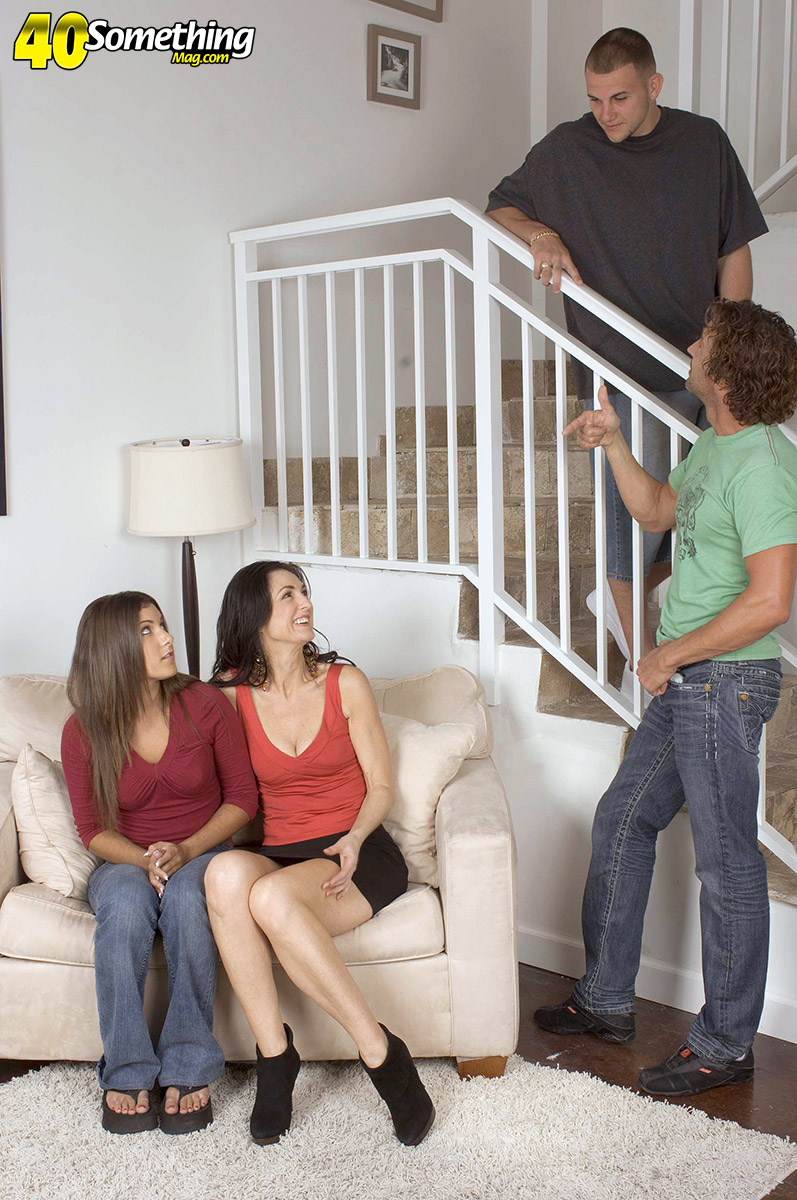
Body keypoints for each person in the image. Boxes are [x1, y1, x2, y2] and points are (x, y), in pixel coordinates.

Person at [534, 299, 797, 1095]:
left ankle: (723, 1045)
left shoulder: (763, 465)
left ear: (727, 369)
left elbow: (771, 600)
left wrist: (668, 655)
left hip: (724, 681)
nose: (690, 342)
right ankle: (606, 1000)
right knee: (621, 818)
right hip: (690, 679)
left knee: (726, 865)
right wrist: (614, 442)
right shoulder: (713, 445)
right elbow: (655, 509)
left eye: (704, 338)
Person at [486, 27, 768, 685]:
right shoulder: (567, 149)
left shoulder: (703, 143)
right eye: (594, 98)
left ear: (653, 85)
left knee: (693, 518)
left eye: (619, 98)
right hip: (616, 372)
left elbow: (732, 249)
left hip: (698, 367)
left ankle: (632, 623)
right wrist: (541, 232)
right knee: (628, 531)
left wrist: (729, 350)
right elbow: (501, 209)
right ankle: (646, 673)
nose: (605, 113)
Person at [204, 561, 435, 1146]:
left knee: (272, 899)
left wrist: (355, 837)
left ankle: (381, 1053)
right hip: (281, 853)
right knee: (226, 875)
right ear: (255, 616)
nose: (304, 602)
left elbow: (381, 786)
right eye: (287, 595)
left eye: (303, 591)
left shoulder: (344, 683)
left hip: (356, 849)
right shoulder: (230, 699)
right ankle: (275, 1055)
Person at [61, 591, 259, 1134]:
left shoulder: (204, 704)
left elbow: (243, 798)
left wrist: (187, 851)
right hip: (125, 861)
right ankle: (126, 1070)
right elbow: (92, 830)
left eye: (163, 625)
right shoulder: (83, 730)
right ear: (113, 648)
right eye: (147, 630)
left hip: (203, 851)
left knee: (191, 899)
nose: (168, 638)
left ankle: (189, 1064)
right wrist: (145, 862)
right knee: (125, 906)